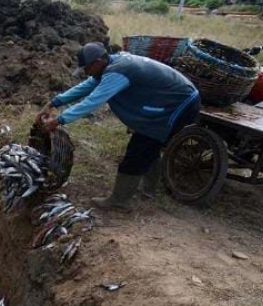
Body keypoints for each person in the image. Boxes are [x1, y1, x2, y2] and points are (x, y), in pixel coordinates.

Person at [37, 42, 201, 209]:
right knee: (149, 145)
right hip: (174, 99)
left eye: (86, 68)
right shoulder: (111, 65)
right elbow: (85, 87)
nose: (85, 73)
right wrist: (54, 102)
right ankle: (148, 191)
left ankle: (119, 201)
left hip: (180, 104)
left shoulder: (118, 72)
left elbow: (93, 101)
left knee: (138, 151)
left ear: (98, 61)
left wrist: (59, 120)